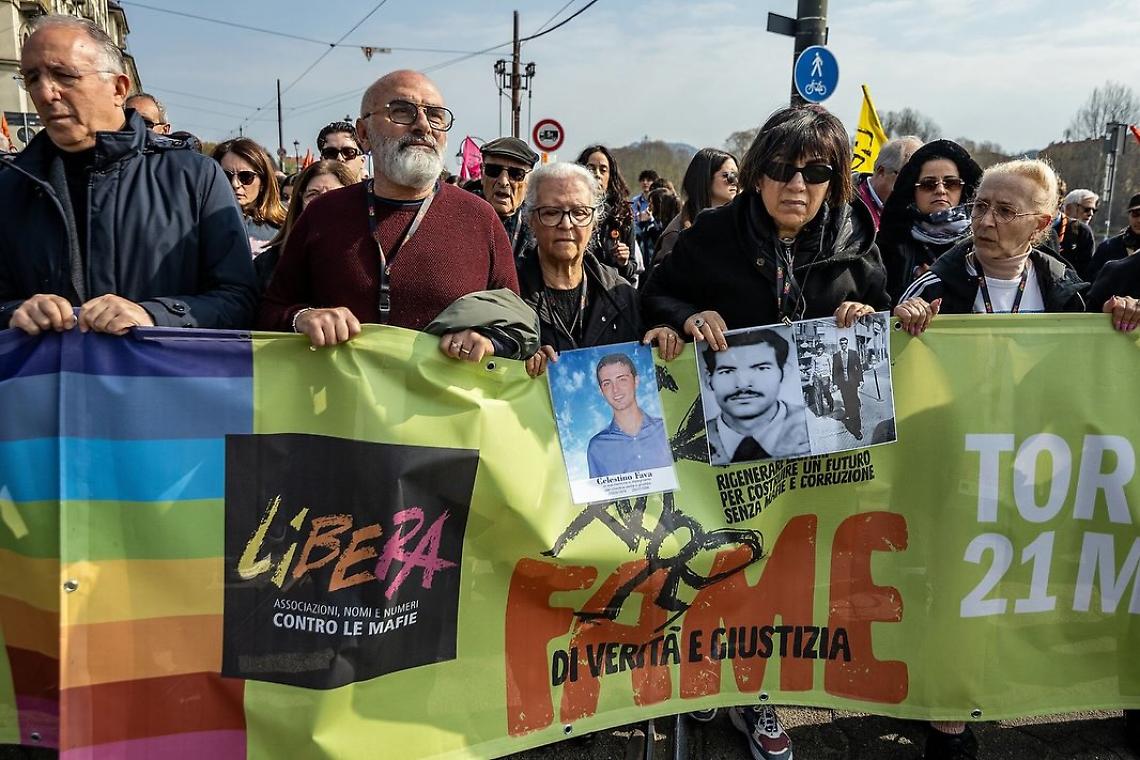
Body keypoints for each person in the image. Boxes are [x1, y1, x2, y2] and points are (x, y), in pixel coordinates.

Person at [643, 104, 887, 760]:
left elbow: (883, 313)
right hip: (731, 441)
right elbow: (656, 295)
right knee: (728, 562)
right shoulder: (711, 233)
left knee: (795, 571)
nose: (797, 184)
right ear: (756, 174)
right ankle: (722, 678)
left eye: (816, 171)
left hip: (822, 441)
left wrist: (867, 312)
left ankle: (764, 686)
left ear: (836, 181)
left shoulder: (856, 235)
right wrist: (688, 316)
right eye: (781, 168)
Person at [894, 158, 1088, 758]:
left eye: (1006, 211)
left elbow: (1087, 376)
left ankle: (979, 690)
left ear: (1042, 224)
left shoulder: (1069, 292)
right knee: (957, 591)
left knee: (1007, 591)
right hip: (952, 469)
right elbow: (894, 372)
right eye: (980, 206)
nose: (985, 220)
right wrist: (903, 328)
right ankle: (948, 722)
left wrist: (1122, 321)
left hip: (1029, 473)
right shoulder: (935, 285)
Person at [0, 14, 257, 334]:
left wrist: (154, 316)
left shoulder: (194, 177)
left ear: (119, 88)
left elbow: (239, 300)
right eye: (32, 78)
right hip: (49, 368)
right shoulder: (11, 186)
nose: (44, 93)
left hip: (158, 367)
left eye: (63, 75)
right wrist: (14, 313)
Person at [258, 69, 523, 362]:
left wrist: (488, 340)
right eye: (402, 111)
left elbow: (515, 323)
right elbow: (270, 311)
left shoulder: (479, 217)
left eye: (435, 115)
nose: (423, 125)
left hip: (449, 392)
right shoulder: (323, 213)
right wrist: (303, 318)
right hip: (337, 391)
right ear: (363, 134)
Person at [516, 162, 681, 378]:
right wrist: (517, 358)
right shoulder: (511, 294)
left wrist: (665, 337)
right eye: (551, 212)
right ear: (530, 220)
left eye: (579, 212)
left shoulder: (621, 295)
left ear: (594, 222)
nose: (566, 224)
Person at [877, 139, 983, 304]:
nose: (940, 190)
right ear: (913, 191)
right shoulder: (887, 245)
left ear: (964, 189)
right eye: (928, 184)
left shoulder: (982, 242)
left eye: (951, 183)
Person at [702, 328, 810, 465]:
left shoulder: (815, 427)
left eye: (761, 368)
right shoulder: (690, 440)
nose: (743, 384)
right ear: (708, 380)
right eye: (727, 371)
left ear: (784, 372)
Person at [255, 160, 358, 291]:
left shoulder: (370, 256)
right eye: (313, 194)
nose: (322, 202)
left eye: (333, 194)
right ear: (300, 202)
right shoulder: (270, 263)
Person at [586, 353, 674, 477]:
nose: (615, 390)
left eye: (622, 379)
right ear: (601, 391)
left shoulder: (667, 429)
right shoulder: (597, 447)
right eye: (607, 383)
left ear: (636, 381)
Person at [653, 148, 738, 264]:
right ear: (705, 178)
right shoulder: (676, 235)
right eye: (727, 175)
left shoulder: (743, 225)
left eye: (736, 175)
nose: (734, 181)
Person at [576, 145, 641, 283]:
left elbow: (631, 268)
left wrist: (623, 262)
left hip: (610, 289)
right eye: (591, 168)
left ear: (610, 177)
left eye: (603, 170)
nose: (597, 174)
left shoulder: (622, 214)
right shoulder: (570, 212)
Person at [211, 137, 286, 256]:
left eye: (246, 177)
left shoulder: (283, 227)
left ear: (263, 181)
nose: (235, 184)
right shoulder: (204, 225)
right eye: (225, 176)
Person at [479, 136, 539, 261]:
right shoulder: (459, 218)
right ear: (482, 174)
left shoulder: (539, 228)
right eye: (494, 170)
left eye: (516, 174)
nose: (503, 181)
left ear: (529, 181)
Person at [853, 135, 922, 229]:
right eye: (906, 179)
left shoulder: (913, 217)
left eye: (920, 184)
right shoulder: (844, 205)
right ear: (881, 172)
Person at [1045, 187, 1097, 280]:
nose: (1090, 214)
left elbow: (1088, 272)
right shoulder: (1036, 226)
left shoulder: (1084, 232)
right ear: (1069, 207)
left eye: (1094, 210)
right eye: (1086, 209)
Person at [1088, 193, 1140, 279]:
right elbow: (1092, 279)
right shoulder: (1108, 248)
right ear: (1129, 216)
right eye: (1135, 214)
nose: (1139, 220)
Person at [831, 335, 864, 439]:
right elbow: (834, 371)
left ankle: (857, 430)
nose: (843, 345)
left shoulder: (853, 353)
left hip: (853, 383)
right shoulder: (836, 356)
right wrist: (835, 383)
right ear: (840, 344)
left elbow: (859, 367)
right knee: (847, 404)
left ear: (847, 343)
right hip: (843, 384)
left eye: (845, 343)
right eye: (842, 344)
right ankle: (850, 418)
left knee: (854, 405)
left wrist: (861, 380)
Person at [631, 168, 659, 257]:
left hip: (653, 237)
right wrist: (639, 218)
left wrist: (650, 218)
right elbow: (632, 219)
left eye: (648, 180)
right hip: (638, 237)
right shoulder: (635, 201)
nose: (645, 183)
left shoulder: (658, 200)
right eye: (643, 180)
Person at [810, 343, 833, 416]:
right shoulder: (814, 357)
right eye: (817, 349)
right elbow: (813, 368)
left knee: (826, 392)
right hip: (817, 377)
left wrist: (831, 377)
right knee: (817, 394)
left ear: (823, 350)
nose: (819, 351)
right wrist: (810, 379)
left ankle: (831, 403)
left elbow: (831, 367)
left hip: (825, 376)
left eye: (820, 349)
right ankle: (820, 412)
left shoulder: (827, 356)